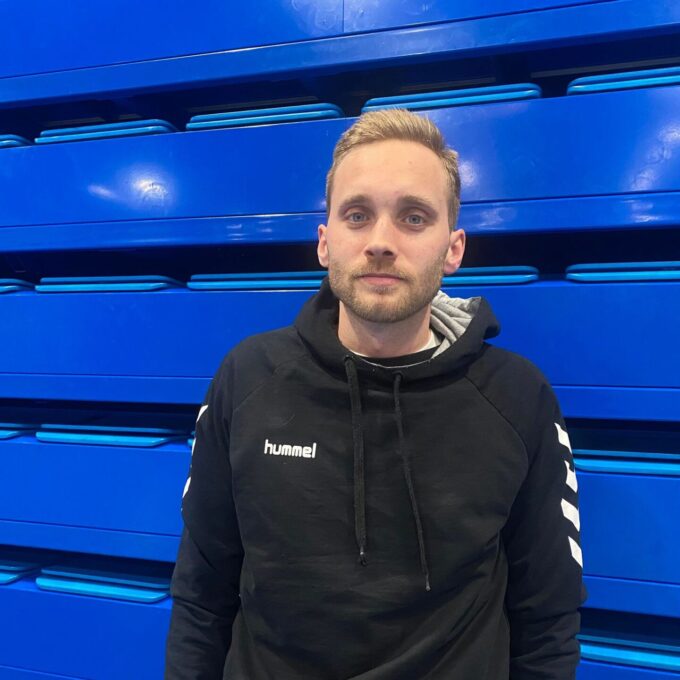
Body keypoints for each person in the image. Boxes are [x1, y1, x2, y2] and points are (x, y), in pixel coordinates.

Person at [164, 108, 587, 679]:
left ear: (454, 248)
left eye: (414, 217)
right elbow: (202, 594)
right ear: (325, 242)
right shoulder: (247, 378)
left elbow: (547, 619)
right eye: (357, 215)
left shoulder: (518, 397)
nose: (381, 242)